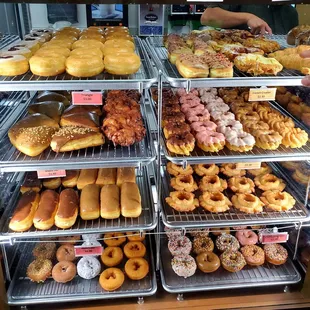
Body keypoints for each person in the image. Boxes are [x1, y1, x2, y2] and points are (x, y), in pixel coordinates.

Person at [200, 4, 298, 35]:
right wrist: (247, 17)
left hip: (280, 74)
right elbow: (208, 17)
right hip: (238, 70)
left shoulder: (290, 12)